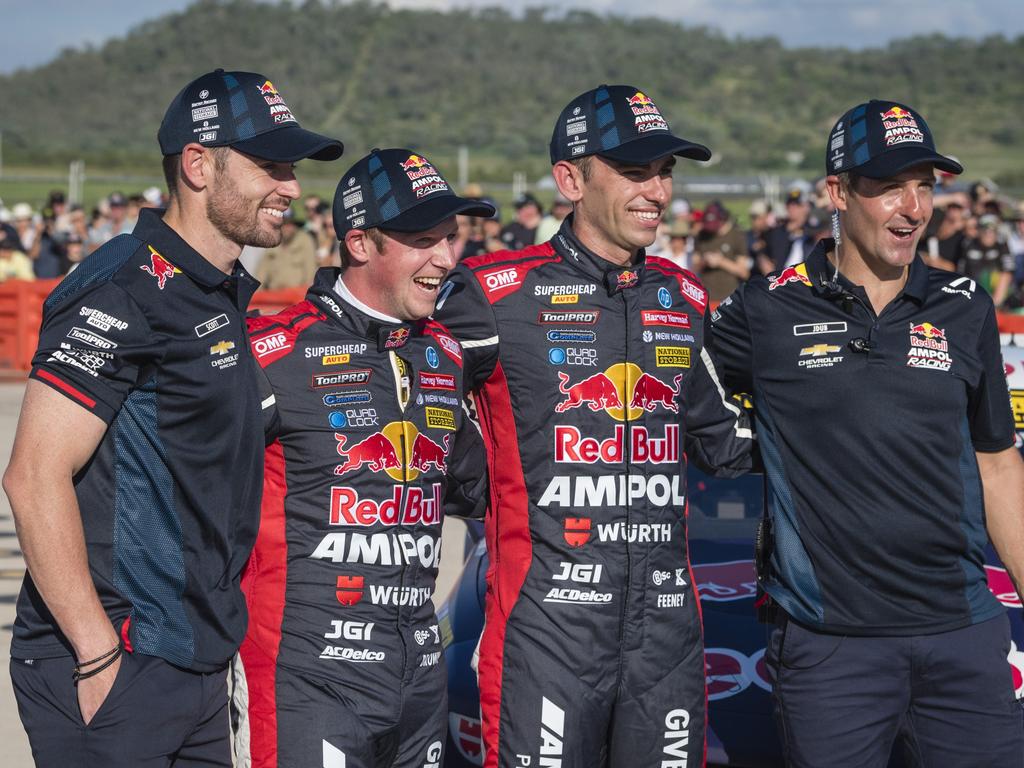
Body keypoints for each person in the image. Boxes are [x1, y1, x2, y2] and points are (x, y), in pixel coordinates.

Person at [2, 68, 341, 767]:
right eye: (271, 164)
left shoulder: (213, 293)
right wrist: (98, 656)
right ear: (197, 165)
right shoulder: (124, 287)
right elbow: (34, 476)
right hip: (118, 659)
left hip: (193, 657)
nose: (291, 186)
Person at [434, 84, 754, 768]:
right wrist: (472, 484)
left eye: (665, 172)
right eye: (636, 172)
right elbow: (404, 399)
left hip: (667, 634)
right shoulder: (493, 292)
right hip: (546, 633)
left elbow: (725, 445)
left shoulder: (683, 293)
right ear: (571, 179)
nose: (658, 191)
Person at [711, 100, 1024, 768]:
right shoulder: (766, 309)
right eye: (888, 188)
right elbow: (668, 379)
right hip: (831, 650)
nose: (912, 208)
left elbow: (997, 464)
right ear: (837, 193)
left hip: (964, 637)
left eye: (925, 186)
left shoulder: (965, 307)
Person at [235, 148, 492, 768]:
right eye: (423, 239)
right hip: (306, 678)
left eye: (450, 238)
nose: (446, 259)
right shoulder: (270, 354)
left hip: (419, 675)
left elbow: (476, 489)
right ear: (359, 243)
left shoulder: (444, 355)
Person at [254, 207, 318, 289]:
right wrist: (256, 295)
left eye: (290, 224)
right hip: (273, 295)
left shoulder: (305, 240)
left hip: (296, 296)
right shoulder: (273, 241)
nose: (287, 228)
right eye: (284, 224)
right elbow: (261, 274)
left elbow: (310, 273)